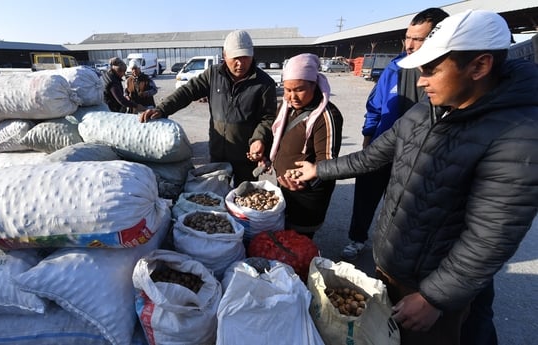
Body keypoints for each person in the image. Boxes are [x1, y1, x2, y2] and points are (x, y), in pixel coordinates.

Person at [288, 10, 537, 345]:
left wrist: (436, 297)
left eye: (431, 70)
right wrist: (319, 169)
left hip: (432, 286)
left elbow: (489, 238)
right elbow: (374, 156)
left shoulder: (517, 136)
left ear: (480, 66)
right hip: (395, 266)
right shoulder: (427, 110)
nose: (421, 81)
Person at [342, 7, 449, 260]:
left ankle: (392, 250)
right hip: (382, 148)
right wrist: (368, 142)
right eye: (407, 37)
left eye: (418, 38)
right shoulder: (395, 68)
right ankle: (357, 238)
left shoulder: (447, 75)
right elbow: (375, 108)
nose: (410, 45)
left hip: (419, 157)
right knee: (366, 194)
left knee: (402, 207)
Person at [139, 30, 277, 186]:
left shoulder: (264, 83)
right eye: (236, 58)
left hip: (246, 157)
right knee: (216, 195)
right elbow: (187, 92)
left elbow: (268, 117)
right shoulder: (213, 74)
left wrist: (259, 139)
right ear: (225, 55)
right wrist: (163, 109)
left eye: (245, 57)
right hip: (218, 152)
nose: (241, 63)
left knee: (244, 199)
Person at [269, 53, 343, 239]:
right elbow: (280, 137)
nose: (292, 96)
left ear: (313, 84)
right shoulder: (286, 107)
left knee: (299, 243)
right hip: (285, 187)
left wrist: (305, 183)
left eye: (299, 90)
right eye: (287, 90)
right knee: (282, 238)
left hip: (307, 195)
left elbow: (328, 163)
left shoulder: (326, 116)